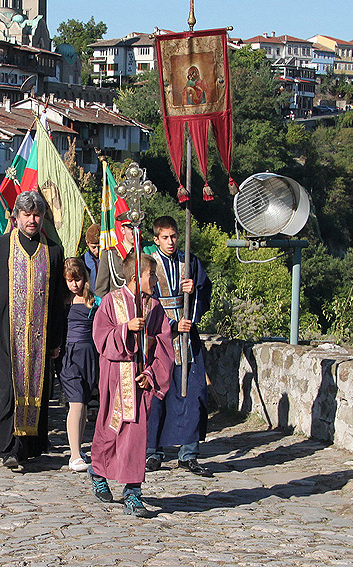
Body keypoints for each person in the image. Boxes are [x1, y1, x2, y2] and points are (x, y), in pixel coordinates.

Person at [0, 190, 67, 470]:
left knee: (33, 390)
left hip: (38, 339)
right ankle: (8, 447)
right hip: (1, 334)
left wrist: (57, 338)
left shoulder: (54, 252)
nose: (32, 220)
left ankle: (26, 447)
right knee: (6, 390)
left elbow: (59, 300)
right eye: (27, 214)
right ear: (16, 216)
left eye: (37, 214)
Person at [89, 252, 174, 518]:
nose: (156, 280)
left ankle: (133, 493)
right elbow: (101, 337)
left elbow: (163, 345)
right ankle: (98, 471)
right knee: (109, 429)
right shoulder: (111, 303)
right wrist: (125, 329)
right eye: (152, 275)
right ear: (137, 277)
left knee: (136, 436)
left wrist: (151, 374)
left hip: (141, 381)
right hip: (115, 377)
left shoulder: (155, 308)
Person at [145, 216, 214, 477]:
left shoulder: (189, 263)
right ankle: (153, 451)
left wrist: (193, 289)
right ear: (156, 239)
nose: (171, 241)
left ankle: (189, 453)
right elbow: (144, 299)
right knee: (158, 393)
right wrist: (170, 326)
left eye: (174, 236)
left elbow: (205, 290)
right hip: (160, 337)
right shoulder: (150, 265)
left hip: (187, 337)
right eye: (165, 237)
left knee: (193, 392)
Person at [62, 257, 99, 472]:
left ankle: (79, 447)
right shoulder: (63, 302)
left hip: (89, 354)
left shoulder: (94, 301)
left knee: (83, 402)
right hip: (70, 356)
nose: (74, 284)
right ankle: (74, 455)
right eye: (69, 281)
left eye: (77, 279)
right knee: (75, 402)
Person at [82, 223, 101, 291]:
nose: (97, 251)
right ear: (87, 243)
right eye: (93, 247)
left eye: (99, 247)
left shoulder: (108, 259)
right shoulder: (82, 260)